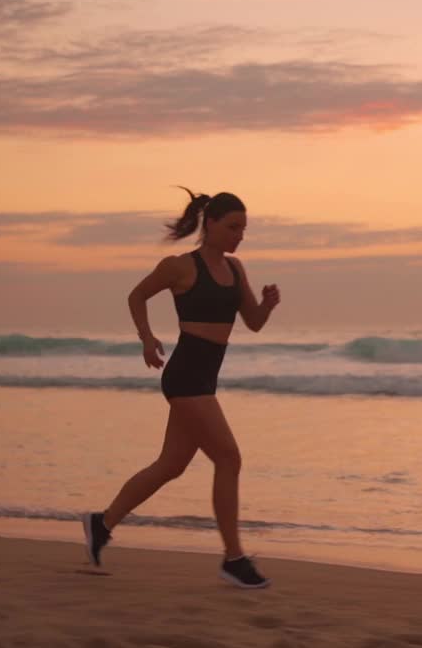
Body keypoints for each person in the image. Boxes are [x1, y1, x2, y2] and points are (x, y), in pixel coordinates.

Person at [83, 187, 281, 588]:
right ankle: (233, 558)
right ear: (209, 225)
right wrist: (146, 337)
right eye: (232, 227)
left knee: (171, 466)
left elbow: (253, 322)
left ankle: (101, 524)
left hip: (206, 377)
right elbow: (137, 295)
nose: (238, 235)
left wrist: (268, 304)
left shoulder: (236, 269)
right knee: (229, 458)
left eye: (243, 228)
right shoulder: (179, 267)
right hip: (186, 376)